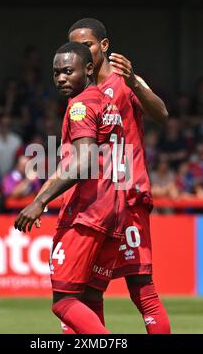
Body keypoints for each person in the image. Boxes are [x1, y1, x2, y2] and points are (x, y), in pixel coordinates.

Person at [66, 18, 170, 334]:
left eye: (87, 45)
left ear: (104, 46)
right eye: (75, 48)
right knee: (87, 290)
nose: (81, 53)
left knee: (141, 286)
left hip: (129, 196)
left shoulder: (126, 81)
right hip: (96, 203)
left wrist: (137, 84)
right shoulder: (81, 89)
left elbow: (161, 115)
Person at [14, 42, 126, 334]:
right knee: (89, 298)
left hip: (88, 214)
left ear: (89, 69)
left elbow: (85, 161)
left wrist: (40, 202)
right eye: (56, 73)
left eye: (67, 71)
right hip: (114, 211)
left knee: (63, 302)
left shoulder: (80, 106)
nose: (61, 78)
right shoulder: (108, 103)